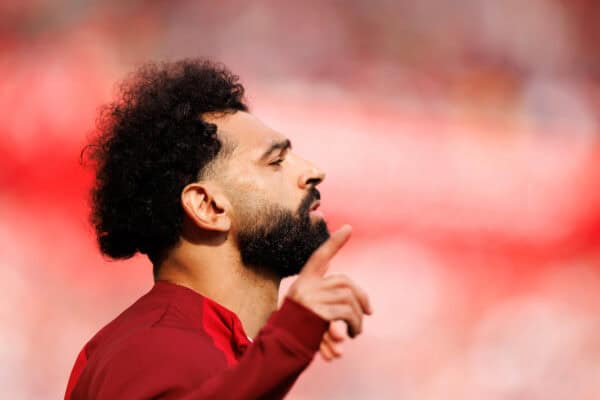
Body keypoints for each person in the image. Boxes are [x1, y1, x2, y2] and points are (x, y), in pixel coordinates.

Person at [65, 59, 372, 399]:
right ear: (208, 207)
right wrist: (287, 343)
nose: (314, 172)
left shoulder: (211, 350)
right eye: (275, 161)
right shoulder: (150, 348)